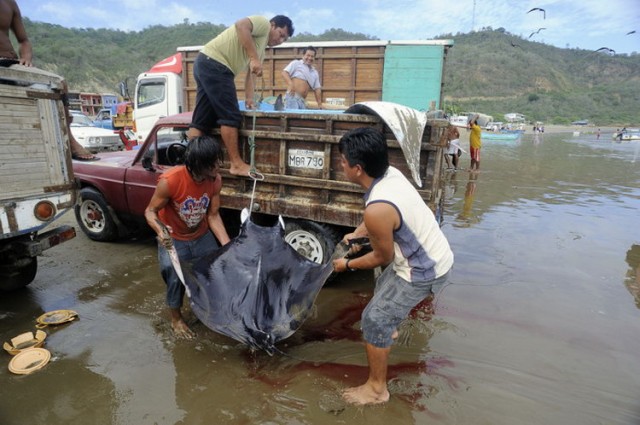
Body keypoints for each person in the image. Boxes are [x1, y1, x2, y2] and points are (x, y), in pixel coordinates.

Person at [332, 127, 454, 405]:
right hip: (433, 254)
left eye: (343, 161)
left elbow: (381, 258)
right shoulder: (390, 175)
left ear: (358, 168)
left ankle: (376, 390)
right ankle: (389, 330)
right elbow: (378, 219)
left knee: (373, 319)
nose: (341, 165)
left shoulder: (377, 208)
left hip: (424, 270)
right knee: (382, 290)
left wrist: (346, 265)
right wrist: (357, 234)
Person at [145, 136, 231, 339]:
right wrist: (161, 231)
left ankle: (209, 309)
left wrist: (228, 246)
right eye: (213, 162)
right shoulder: (170, 181)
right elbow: (150, 212)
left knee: (215, 272)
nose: (218, 165)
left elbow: (213, 215)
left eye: (219, 159)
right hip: (174, 238)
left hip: (201, 236)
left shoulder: (215, 180)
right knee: (175, 278)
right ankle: (176, 319)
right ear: (198, 163)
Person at [187, 15, 294, 176]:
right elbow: (241, 25)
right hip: (217, 64)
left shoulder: (260, 49)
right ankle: (236, 164)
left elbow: (250, 76)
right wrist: (253, 58)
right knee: (230, 116)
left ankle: (192, 164)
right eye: (280, 34)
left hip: (204, 62)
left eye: (285, 39)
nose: (281, 40)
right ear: (272, 25)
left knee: (201, 120)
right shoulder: (263, 24)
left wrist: (250, 98)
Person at [1, 0, 98, 160]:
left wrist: (26, 57)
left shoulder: (9, 3)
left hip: (10, 63)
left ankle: (70, 140)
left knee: (59, 83)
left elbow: (23, 40)